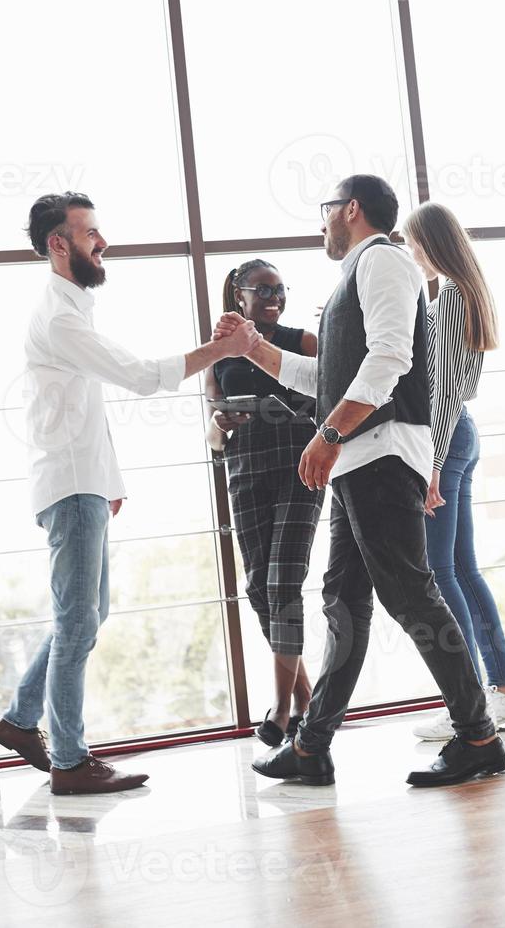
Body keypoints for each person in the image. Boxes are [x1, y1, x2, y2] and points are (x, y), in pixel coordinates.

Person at [215, 175, 505, 788]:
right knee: (343, 602)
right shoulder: (358, 273)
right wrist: (255, 349)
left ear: (351, 209)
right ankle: (312, 745)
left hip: (377, 452)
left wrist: (328, 435)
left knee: (410, 594)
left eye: (326, 210)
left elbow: (391, 357)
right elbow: (323, 376)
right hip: (360, 458)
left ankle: (479, 735)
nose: (321, 223)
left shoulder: (383, 263)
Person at [0, 192, 259, 795]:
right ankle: (68, 762)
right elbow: (138, 376)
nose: (102, 243)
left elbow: (82, 407)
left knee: (87, 615)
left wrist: (107, 485)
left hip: (82, 482)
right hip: (69, 484)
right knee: (78, 622)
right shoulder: (59, 318)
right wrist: (221, 348)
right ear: (59, 245)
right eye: (89, 235)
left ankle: (18, 721)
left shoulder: (71, 308)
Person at [402, 202, 505, 741]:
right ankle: (504, 690)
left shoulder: (453, 297)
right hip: (459, 436)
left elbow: (445, 390)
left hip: (447, 437)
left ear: (432, 244)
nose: (411, 255)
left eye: (413, 244)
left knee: (438, 573)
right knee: (460, 567)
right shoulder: (459, 292)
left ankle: (473, 697)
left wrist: (430, 468)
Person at [204, 259, 324, 747]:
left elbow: (328, 397)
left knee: (283, 584)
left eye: (280, 290)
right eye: (264, 290)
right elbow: (210, 433)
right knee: (258, 588)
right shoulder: (218, 355)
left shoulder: (305, 342)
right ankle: (309, 702)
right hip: (245, 468)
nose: (275, 298)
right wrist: (222, 424)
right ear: (239, 295)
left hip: (300, 465)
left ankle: (280, 709)